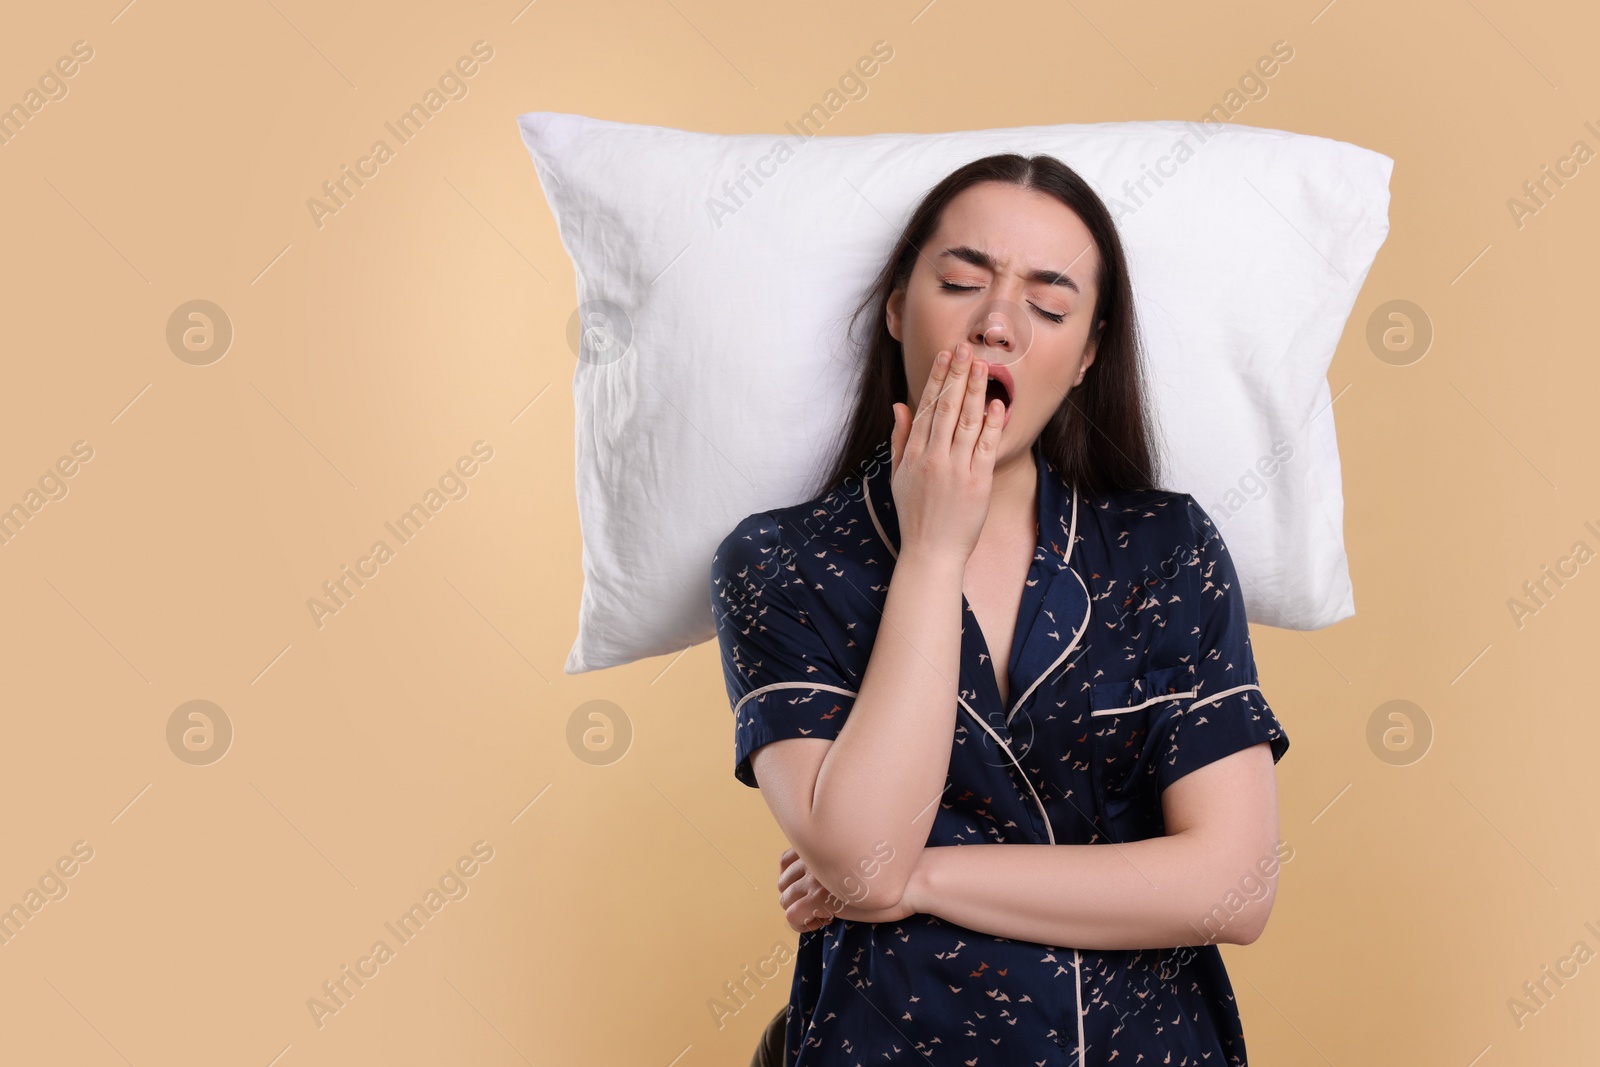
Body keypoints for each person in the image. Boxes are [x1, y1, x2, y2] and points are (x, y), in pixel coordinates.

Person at [711, 153, 1290, 1067]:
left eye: (1049, 306)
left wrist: (922, 876)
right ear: (899, 306)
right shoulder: (783, 561)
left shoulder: (1163, 548)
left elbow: (1235, 885)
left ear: (1088, 353)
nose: (997, 324)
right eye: (959, 282)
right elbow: (862, 858)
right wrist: (934, 549)